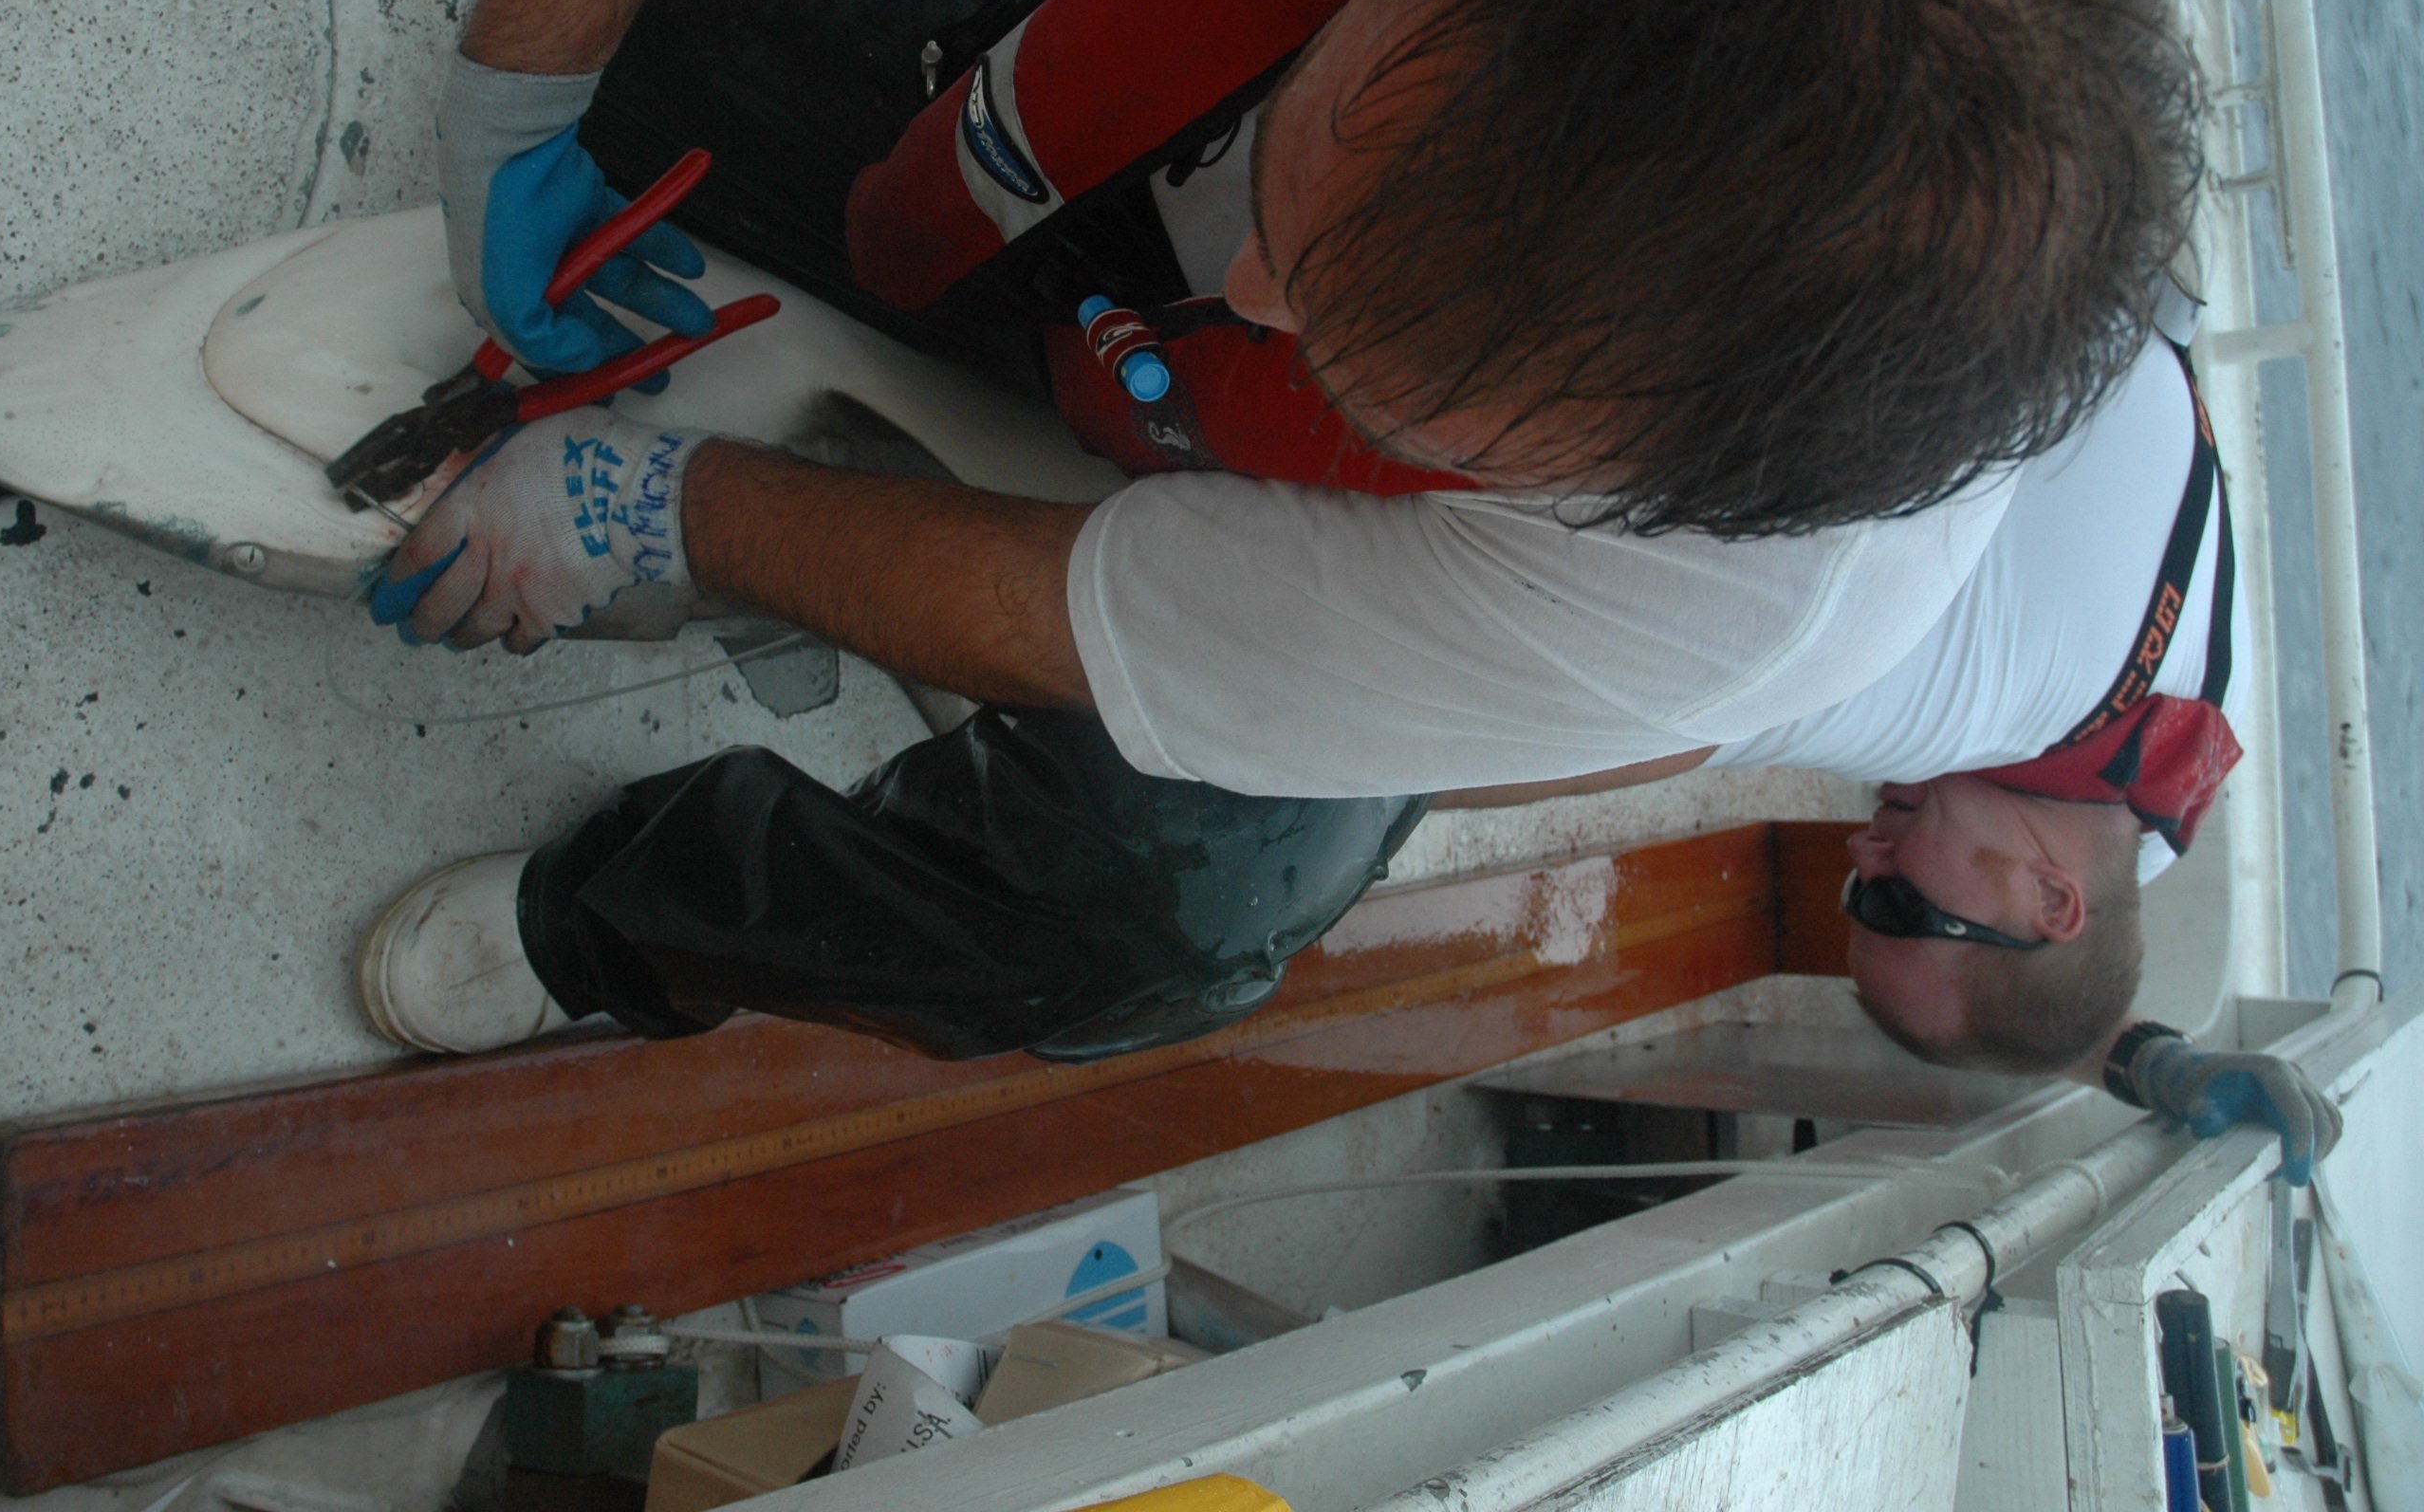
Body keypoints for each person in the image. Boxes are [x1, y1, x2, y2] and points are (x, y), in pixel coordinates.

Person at [360, 0, 2216, 1089]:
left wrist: (668, 504)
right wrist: (510, 111)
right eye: (1324, 183)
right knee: (649, 43)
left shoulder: (1752, 614)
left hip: (1435, 581)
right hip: (1122, 97)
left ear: (1645, 496)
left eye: (1363, 344)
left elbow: (1047, 613)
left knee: (1140, 923)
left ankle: (600, 926)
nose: (1249, 289)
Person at [357, 301, 2343, 1181]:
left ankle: (712, 819)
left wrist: (2140, 1052)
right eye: (1896, 883)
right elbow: (1554, 720)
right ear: (2037, 884)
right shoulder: (1966, 681)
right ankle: (612, 894)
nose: (1866, 841)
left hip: (1600, 435)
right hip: (1513, 356)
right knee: (1164, 920)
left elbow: (2054, 972)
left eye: (1858, 890)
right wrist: (1276, 751)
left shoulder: (2133, 759)